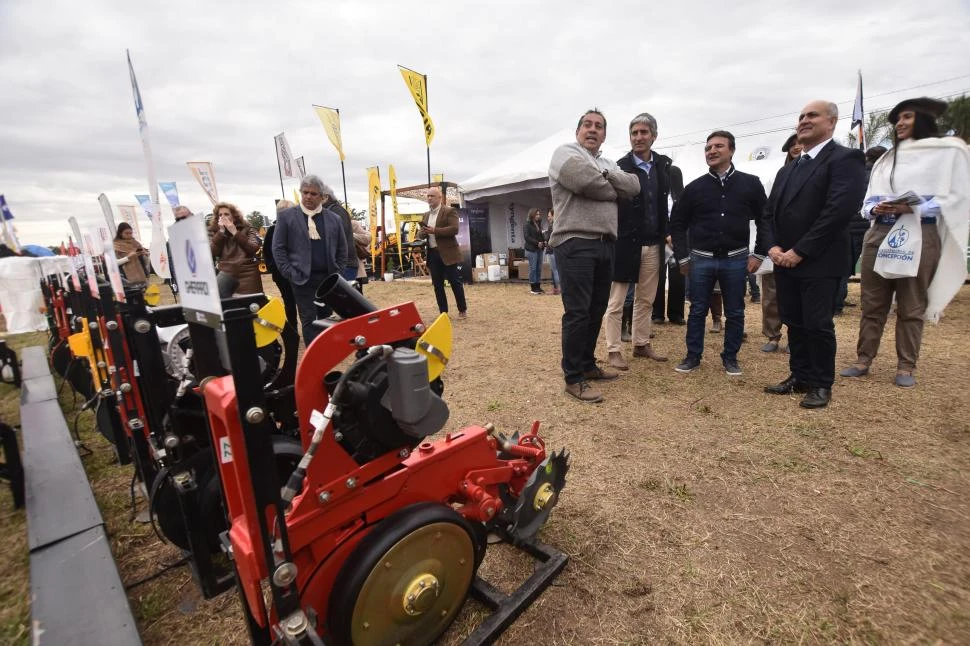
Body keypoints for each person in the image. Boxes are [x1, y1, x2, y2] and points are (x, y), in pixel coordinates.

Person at [840, 97, 970, 388]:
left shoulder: (949, 151)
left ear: (923, 119)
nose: (899, 123)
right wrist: (875, 209)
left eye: (907, 117)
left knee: (911, 305)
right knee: (872, 302)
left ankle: (905, 365)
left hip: (921, 233)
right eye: (897, 119)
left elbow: (959, 196)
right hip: (880, 233)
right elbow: (868, 200)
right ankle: (863, 359)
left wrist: (914, 207)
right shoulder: (887, 158)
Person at [764, 100, 866, 408]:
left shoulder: (845, 159)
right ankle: (801, 376)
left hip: (819, 260)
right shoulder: (789, 169)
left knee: (817, 323)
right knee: (793, 320)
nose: (804, 120)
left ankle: (822, 384)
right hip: (784, 260)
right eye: (801, 116)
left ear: (831, 123)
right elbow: (768, 214)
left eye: (812, 115)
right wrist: (773, 247)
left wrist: (801, 250)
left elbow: (838, 211)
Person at [548, 109, 639, 403]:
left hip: (604, 243)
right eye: (587, 124)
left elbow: (634, 186)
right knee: (578, 312)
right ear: (577, 131)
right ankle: (573, 377)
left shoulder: (608, 162)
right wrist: (614, 187)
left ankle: (587, 365)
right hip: (574, 240)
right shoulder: (564, 154)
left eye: (598, 126)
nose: (592, 129)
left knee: (597, 308)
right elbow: (585, 183)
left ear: (604, 134)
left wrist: (605, 175)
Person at [670, 130, 769, 377]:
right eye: (708, 148)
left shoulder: (751, 183)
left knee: (735, 311)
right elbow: (678, 223)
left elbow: (766, 219)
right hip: (700, 259)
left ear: (732, 150)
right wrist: (682, 257)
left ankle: (731, 357)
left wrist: (759, 254)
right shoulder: (694, 188)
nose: (711, 151)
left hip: (736, 259)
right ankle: (693, 356)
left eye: (718, 146)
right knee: (697, 310)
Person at [604, 112, 673, 370]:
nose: (639, 137)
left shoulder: (663, 166)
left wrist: (667, 234)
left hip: (654, 243)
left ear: (654, 136)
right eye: (634, 133)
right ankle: (613, 350)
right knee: (617, 301)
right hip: (624, 243)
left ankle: (641, 344)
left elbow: (663, 205)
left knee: (646, 298)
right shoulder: (619, 167)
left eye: (644, 132)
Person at [271, 174, 348, 345]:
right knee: (308, 320)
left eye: (313, 194)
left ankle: (327, 352)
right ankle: (314, 359)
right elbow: (278, 248)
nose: (308, 197)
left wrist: (338, 271)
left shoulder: (333, 219)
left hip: (328, 279)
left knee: (327, 319)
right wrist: (289, 272)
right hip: (301, 279)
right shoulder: (287, 217)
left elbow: (343, 249)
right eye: (305, 192)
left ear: (322, 197)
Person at [760, 134, 801, 353]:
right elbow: (768, 210)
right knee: (771, 293)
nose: (797, 147)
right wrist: (770, 244)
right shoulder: (779, 175)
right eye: (793, 145)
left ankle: (796, 338)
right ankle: (772, 335)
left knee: (797, 296)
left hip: (803, 245)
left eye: (800, 143)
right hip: (777, 243)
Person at [835, 145, 887, 313]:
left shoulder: (856, 175)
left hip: (851, 226)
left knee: (846, 265)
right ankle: (837, 302)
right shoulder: (878, 177)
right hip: (870, 226)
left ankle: (838, 301)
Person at [418, 186, 467, 318]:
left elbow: (454, 229)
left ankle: (462, 309)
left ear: (440, 197)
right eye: (428, 196)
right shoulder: (426, 215)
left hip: (448, 253)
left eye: (432, 196)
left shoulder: (449, 211)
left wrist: (435, 231)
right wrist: (422, 232)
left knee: (454, 282)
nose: (429, 198)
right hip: (433, 253)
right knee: (437, 285)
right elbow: (421, 235)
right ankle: (443, 312)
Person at [652, 165, 686, 326]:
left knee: (678, 276)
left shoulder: (684, 197)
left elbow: (685, 220)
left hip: (678, 242)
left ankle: (676, 313)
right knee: (657, 277)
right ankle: (657, 313)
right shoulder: (658, 196)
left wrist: (676, 236)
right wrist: (666, 235)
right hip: (659, 240)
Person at [208, 201, 263, 295]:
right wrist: (221, 233)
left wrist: (235, 232)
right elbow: (211, 252)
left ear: (234, 216)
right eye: (220, 215)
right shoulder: (214, 232)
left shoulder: (248, 228)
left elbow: (253, 247)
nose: (223, 217)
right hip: (225, 276)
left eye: (226, 214)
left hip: (248, 275)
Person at [263, 200, 298, 329]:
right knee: (289, 301)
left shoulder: (300, 228)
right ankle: (293, 328)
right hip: (281, 274)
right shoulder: (272, 230)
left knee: (303, 301)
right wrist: (275, 269)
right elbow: (267, 252)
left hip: (299, 272)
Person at [113, 222, 149, 287]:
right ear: (120, 233)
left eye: (131, 233)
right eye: (126, 233)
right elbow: (114, 263)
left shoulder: (136, 243)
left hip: (142, 274)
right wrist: (128, 257)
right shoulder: (116, 245)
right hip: (126, 277)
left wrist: (144, 254)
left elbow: (144, 262)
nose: (129, 235)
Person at [523, 208, 547, 295]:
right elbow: (527, 237)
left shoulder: (539, 224)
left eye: (539, 214)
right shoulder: (526, 225)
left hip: (539, 249)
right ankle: (533, 287)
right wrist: (537, 243)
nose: (538, 216)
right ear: (532, 215)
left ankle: (538, 286)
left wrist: (544, 241)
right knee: (533, 268)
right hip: (531, 249)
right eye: (537, 214)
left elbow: (541, 235)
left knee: (538, 268)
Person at [544, 209, 560, 295]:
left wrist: (545, 235)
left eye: (549, 216)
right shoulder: (559, 224)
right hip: (557, 249)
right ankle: (557, 288)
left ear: (553, 215)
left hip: (551, 250)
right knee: (557, 270)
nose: (548, 218)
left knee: (554, 270)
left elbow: (547, 238)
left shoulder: (551, 225)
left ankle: (556, 289)